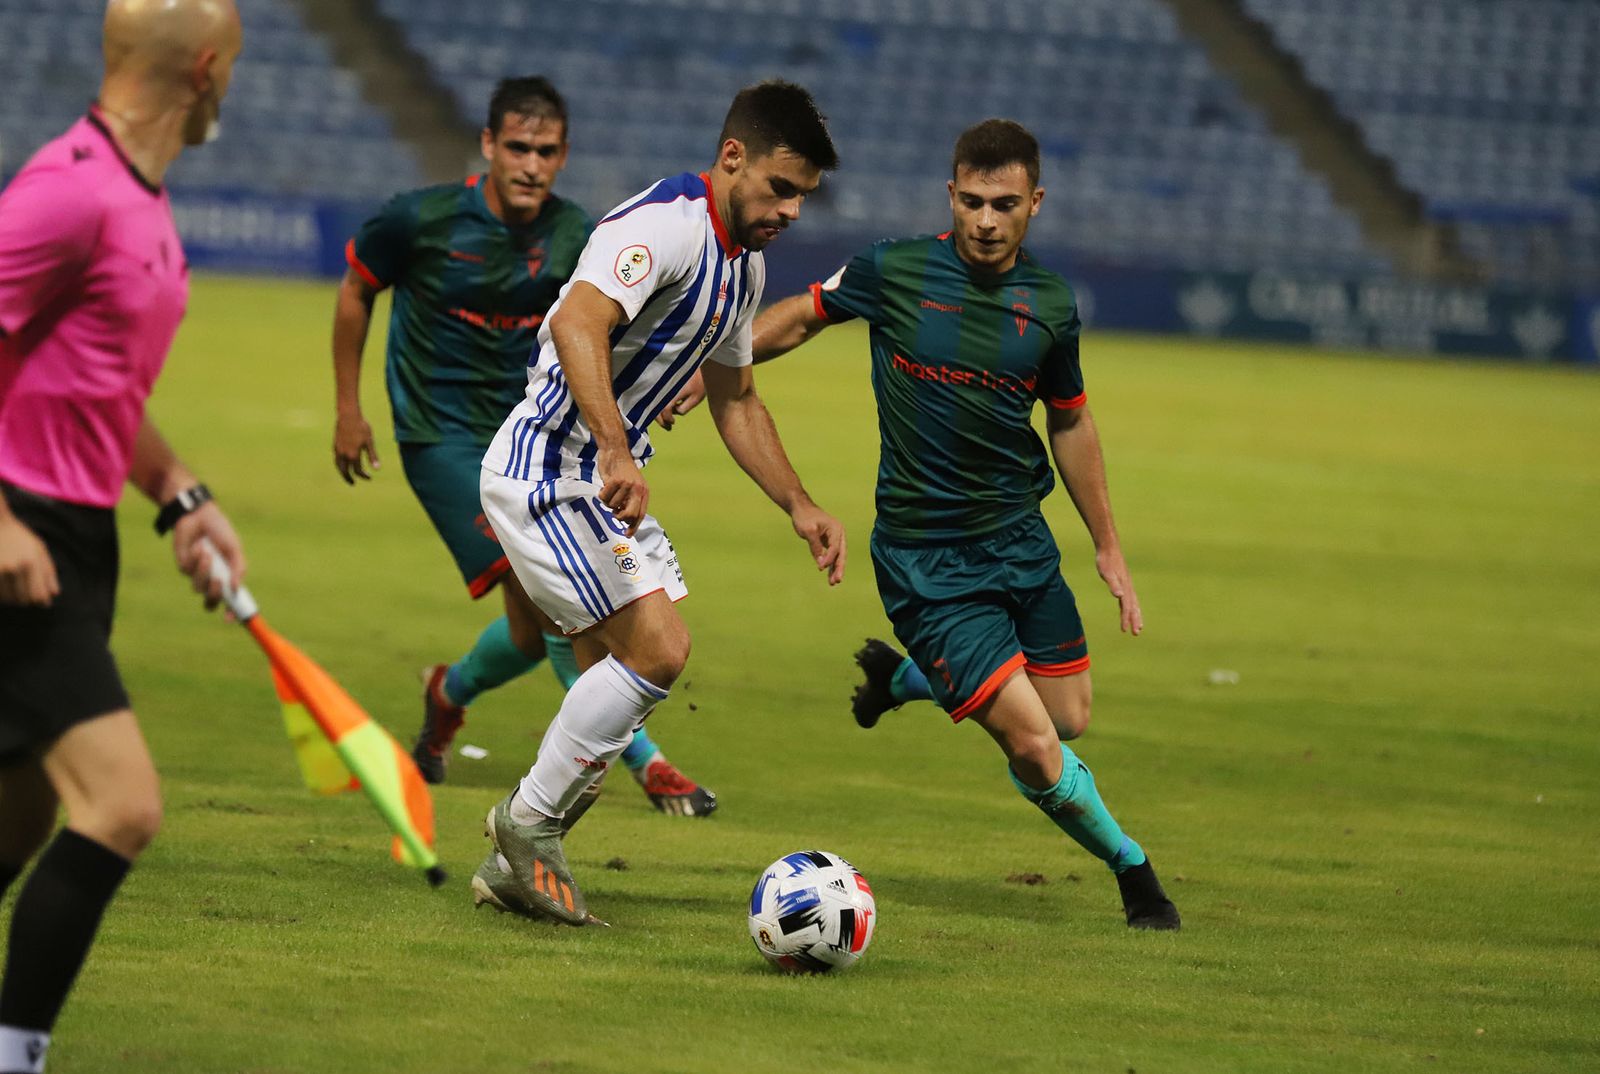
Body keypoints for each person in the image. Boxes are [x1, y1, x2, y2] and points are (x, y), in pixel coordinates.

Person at [747, 119, 1181, 930]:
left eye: (1005, 204)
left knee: (1069, 717)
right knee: (1034, 746)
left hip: (1021, 539)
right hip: (925, 563)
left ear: (1035, 204)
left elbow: (1072, 422)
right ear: (951, 195)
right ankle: (1136, 873)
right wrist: (722, 363)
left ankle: (906, 679)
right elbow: (804, 314)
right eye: (973, 201)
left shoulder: (1051, 304)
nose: (985, 220)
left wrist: (1110, 547)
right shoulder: (897, 268)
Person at [471, 80, 846, 925]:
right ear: (732, 158)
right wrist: (612, 443)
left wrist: (800, 504)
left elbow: (737, 400)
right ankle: (526, 826)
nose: (789, 209)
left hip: (596, 485)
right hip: (548, 470)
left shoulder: (744, 267)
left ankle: (513, 859)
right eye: (780, 187)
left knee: (626, 672)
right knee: (659, 648)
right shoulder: (667, 225)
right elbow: (576, 322)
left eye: (803, 198)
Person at [333, 77, 715, 816]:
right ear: (487, 146)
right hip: (439, 437)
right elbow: (357, 288)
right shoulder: (421, 219)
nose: (530, 164)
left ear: (563, 155)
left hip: (530, 437)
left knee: (524, 620)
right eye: (517, 147)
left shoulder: (579, 235)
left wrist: (671, 380)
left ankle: (448, 691)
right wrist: (350, 409)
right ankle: (648, 761)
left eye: (545, 151)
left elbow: (618, 326)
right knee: (552, 606)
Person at [0, 2, 248, 1070]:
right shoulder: (70, 190)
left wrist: (179, 493)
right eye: (231, 68)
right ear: (203, 68)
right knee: (123, 805)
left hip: (77, 534)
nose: (230, 87)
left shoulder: (137, 201)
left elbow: (96, 384)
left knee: (15, 827)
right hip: (21, 538)